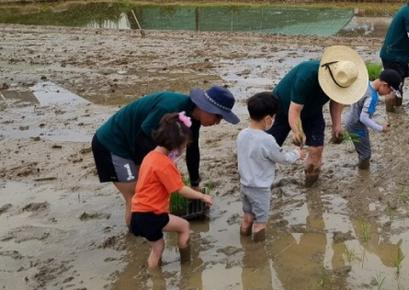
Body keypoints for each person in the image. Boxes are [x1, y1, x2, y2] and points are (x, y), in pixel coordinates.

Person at [92, 86, 239, 225]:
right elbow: (143, 140)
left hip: (134, 144)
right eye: (218, 116)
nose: (217, 122)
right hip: (113, 144)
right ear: (206, 107)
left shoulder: (193, 117)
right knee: (137, 196)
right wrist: (145, 172)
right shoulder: (169, 108)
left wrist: (195, 185)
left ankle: (147, 232)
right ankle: (137, 237)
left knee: (148, 192)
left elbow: (193, 149)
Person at [268, 46, 368, 186]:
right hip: (283, 108)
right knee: (269, 147)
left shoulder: (342, 80)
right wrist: (297, 131)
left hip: (313, 110)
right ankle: (257, 177)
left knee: (317, 149)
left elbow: (336, 101)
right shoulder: (307, 75)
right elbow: (294, 110)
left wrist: (336, 125)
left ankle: (311, 185)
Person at [130, 112, 214, 269]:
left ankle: (156, 276)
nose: (184, 149)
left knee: (158, 246)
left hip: (138, 213)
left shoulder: (150, 156)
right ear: (176, 145)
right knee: (183, 227)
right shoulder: (164, 164)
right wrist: (202, 196)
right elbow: (180, 189)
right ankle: (186, 265)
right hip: (151, 215)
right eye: (184, 146)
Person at [237, 92, 304, 242]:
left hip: (244, 185)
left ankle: (244, 243)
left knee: (247, 218)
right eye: (273, 117)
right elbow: (283, 158)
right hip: (260, 189)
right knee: (260, 223)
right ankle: (257, 251)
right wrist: (297, 154)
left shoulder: (242, 134)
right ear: (268, 119)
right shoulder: (267, 139)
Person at [344, 69, 402, 170]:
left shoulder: (366, 83)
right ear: (384, 85)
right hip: (357, 126)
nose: (388, 94)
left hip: (351, 119)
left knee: (362, 148)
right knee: (366, 154)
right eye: (390, 91)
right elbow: (363, 118)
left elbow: (364, 100)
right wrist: (381, 128)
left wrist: (382, 100)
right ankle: (363, 173)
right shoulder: (372, 97)